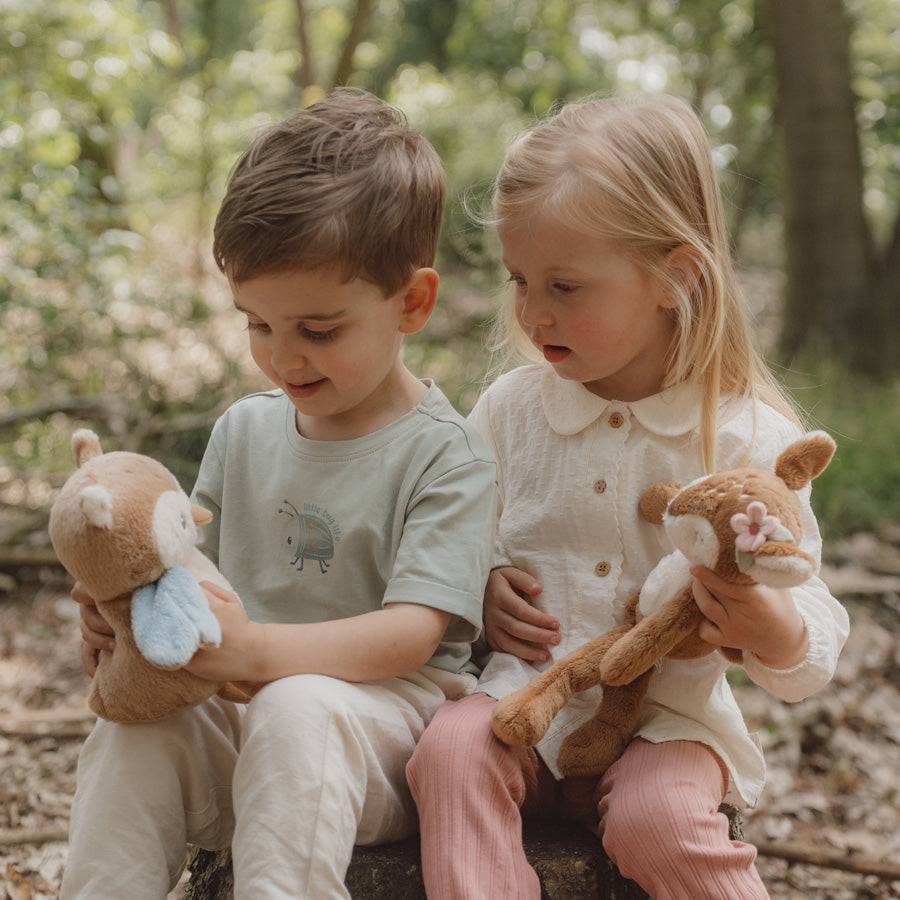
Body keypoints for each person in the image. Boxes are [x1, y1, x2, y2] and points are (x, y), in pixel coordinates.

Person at [406, 93, 850, 900]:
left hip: (669, 728)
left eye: (566, 286)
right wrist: (478, 588)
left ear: (673, 278)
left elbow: (812, 616)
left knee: (659, 823)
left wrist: (772, 629)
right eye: (520, 280)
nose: (534, 312)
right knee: (446, 754)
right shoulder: (509, 414)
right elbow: (442, 539)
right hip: (524, 706)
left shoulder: (747, 437)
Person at [61, 89, 497, 900]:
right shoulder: (245, 431)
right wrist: (127, 616)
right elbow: (194, 582)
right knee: (137, 736)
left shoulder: (449, 454)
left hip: (385, 735)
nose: (282, 358)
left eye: (318, 330)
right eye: (257, 325)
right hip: (240, 715)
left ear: (412, 301)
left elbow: (413, 634)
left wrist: (260, 654)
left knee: (297, 709)